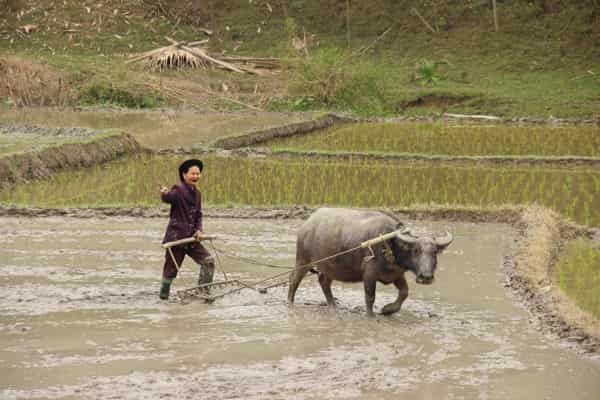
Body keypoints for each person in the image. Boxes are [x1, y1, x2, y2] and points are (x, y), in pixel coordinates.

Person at [158, 159, 215, 300]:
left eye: (198, 174)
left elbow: (198, 215)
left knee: (208, 261)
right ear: (184, 175)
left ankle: (203, 292)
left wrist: (199, 230)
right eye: (192, 174)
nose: (195, 176)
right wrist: (165, 194)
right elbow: (169, 198)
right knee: (170, 271)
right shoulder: (178, 189)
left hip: (191, 238)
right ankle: (163, 297)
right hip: (176, 238)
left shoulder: (198, 194)